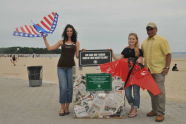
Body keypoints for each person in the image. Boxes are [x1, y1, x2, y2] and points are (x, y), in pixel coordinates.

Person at [43, 24, 80, 116]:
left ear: (73, 32)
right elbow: (49, 48)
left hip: (71, 67)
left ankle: (67, 107)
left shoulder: (76, 43)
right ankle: (62, 108)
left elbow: (77, 56)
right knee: (63, 88)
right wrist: (44, 38)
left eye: (71, 31)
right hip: (61, 67)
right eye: (67, 31)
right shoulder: (61, 42)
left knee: (70, 88)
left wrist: (83, 51)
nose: (69, 32)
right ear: (65, 32)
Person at [141, 22, 171, 122]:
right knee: (152, 92)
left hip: (159, 71)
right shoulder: (144, 42)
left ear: (156, 29)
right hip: (148, 71)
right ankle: (154, 110)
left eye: (151, 29)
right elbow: (141, 56)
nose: (149, 31)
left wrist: (166, 67)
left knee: (160, 93)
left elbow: (168, 54)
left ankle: (161, 113)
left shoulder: (162, 40)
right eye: (147, 29)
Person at [112, 33, 143, 118]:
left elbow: (141, 61)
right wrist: (112, 53)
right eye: (130, 39)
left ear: (136, 40)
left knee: (136, 92)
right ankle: (133, 106)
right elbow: (118, 60)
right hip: (127, 75)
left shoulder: (139, 50)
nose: (131, 40)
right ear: (128, 40)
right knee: (128, 94)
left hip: (136, 75)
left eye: (133, 39)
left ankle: (135, 109)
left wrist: (140, 60)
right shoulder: (125, 50)